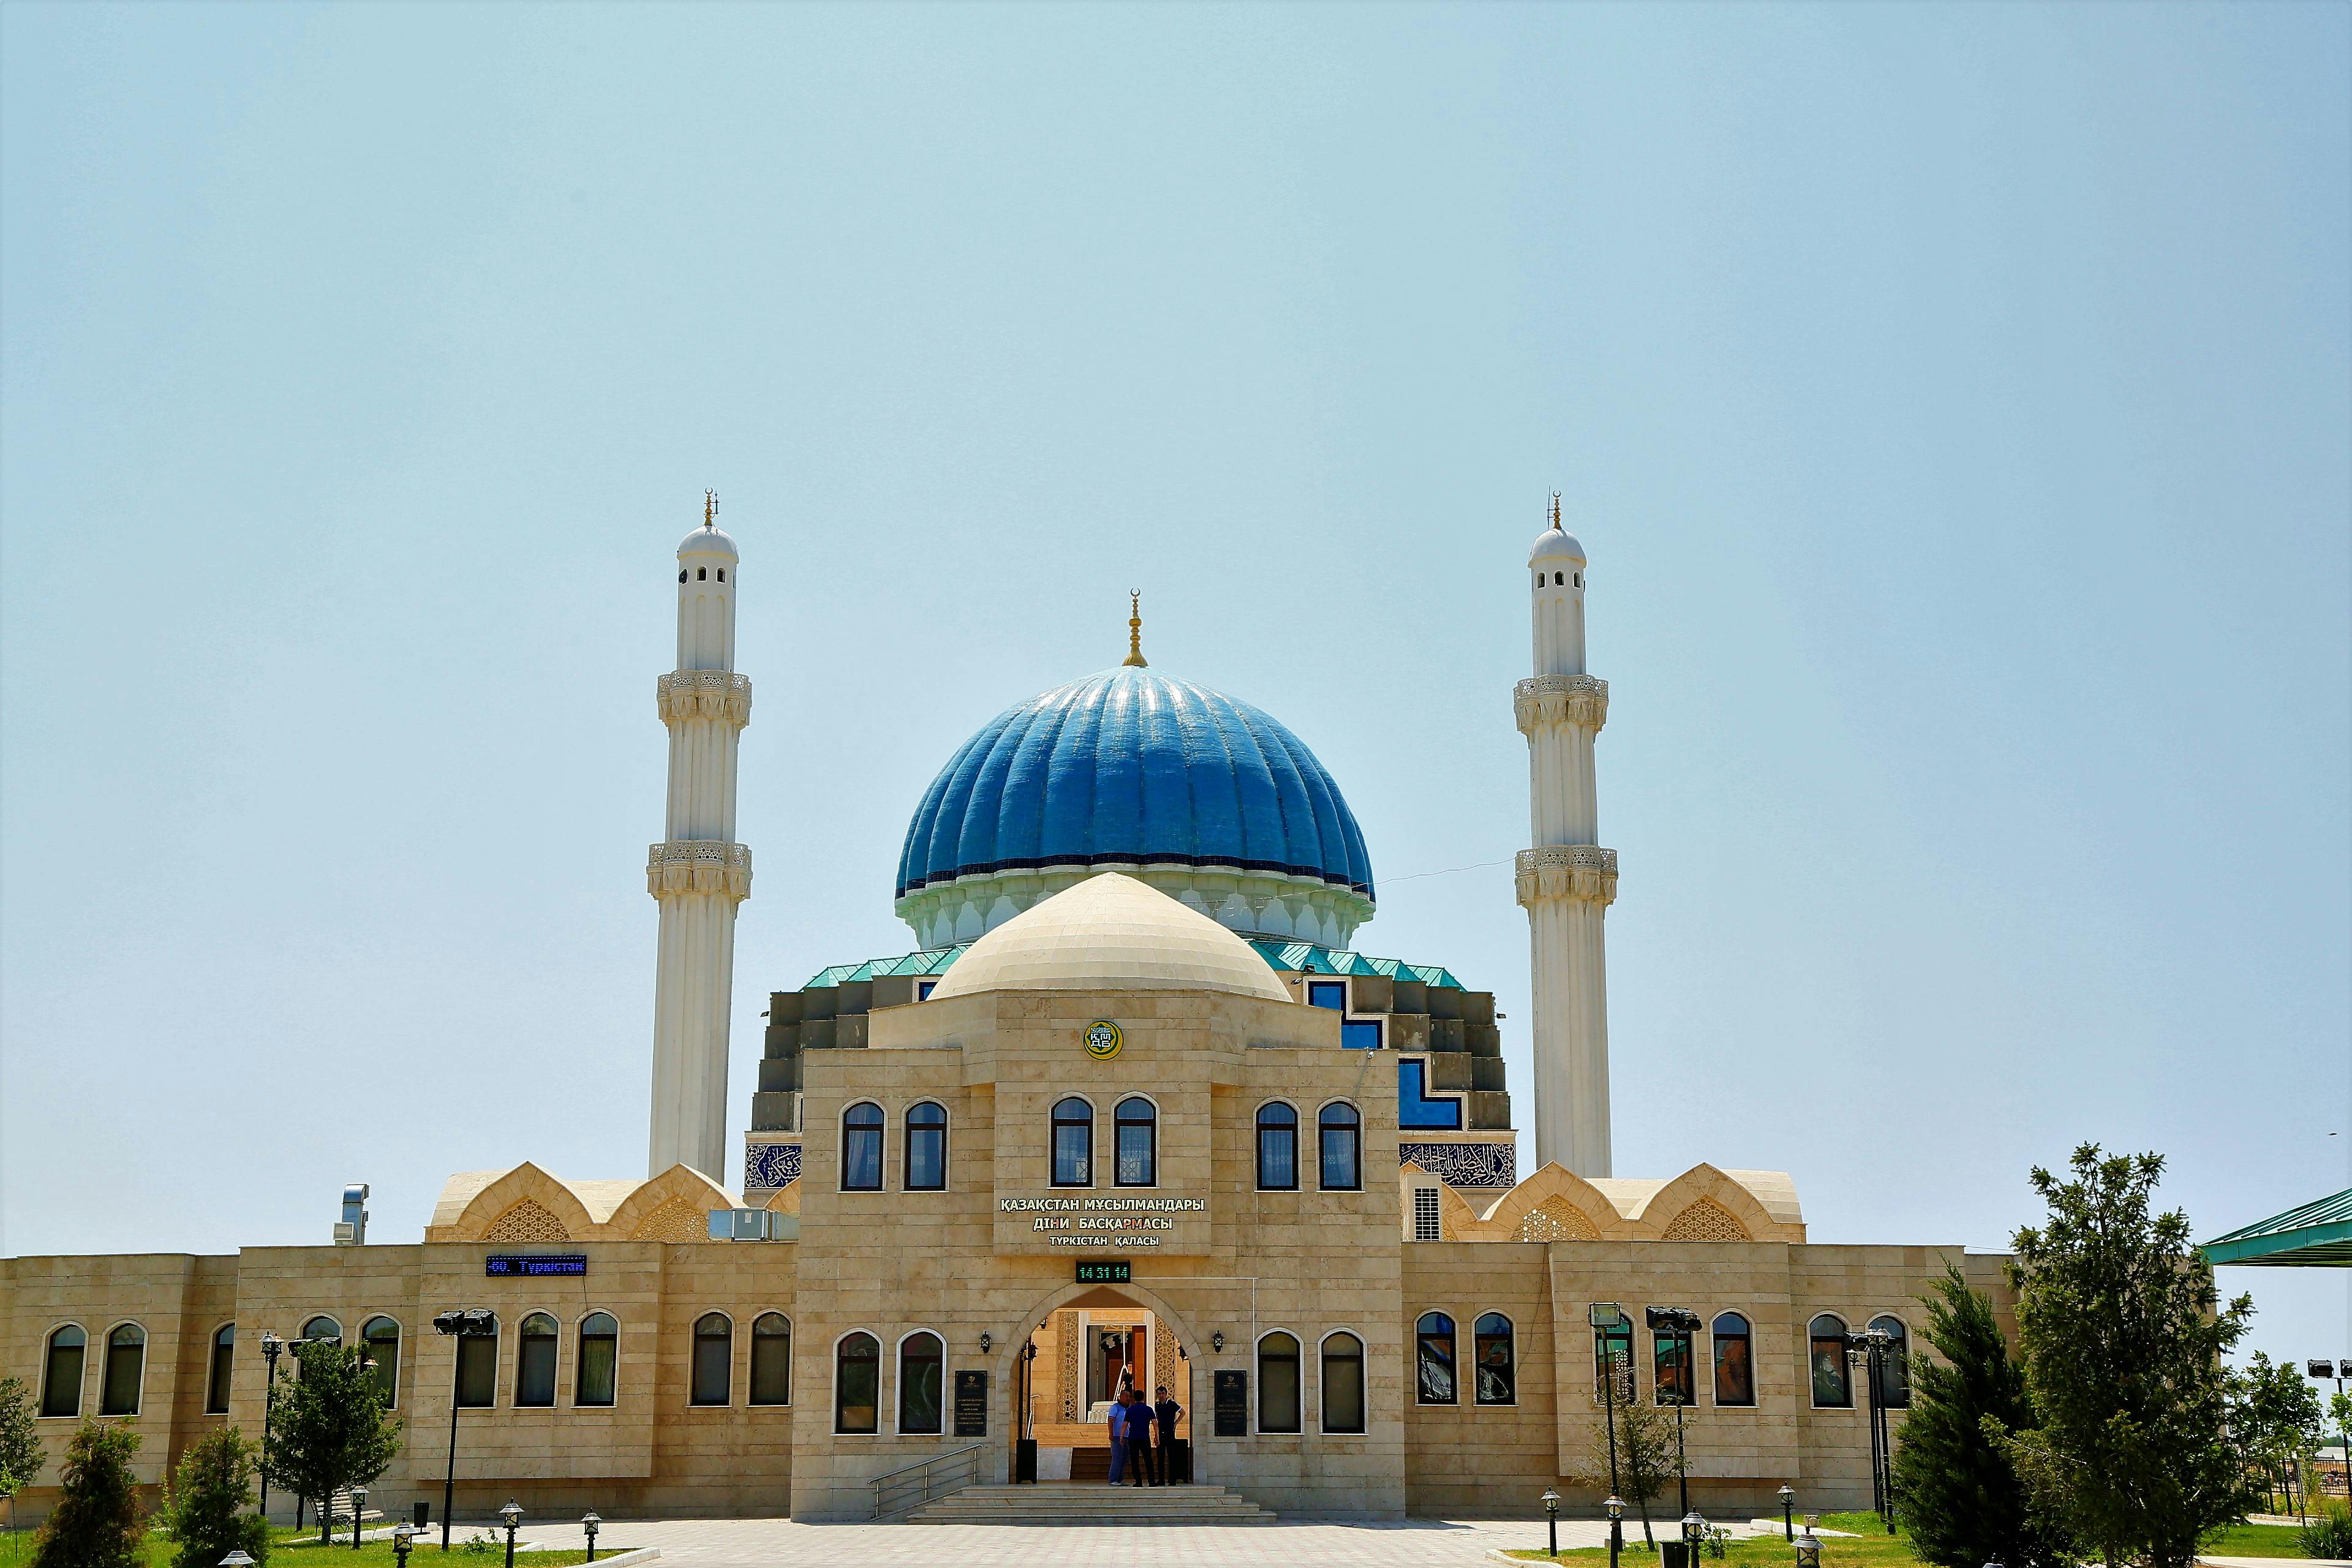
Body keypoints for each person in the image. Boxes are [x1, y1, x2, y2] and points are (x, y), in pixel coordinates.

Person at [1121, 1384, 1156, 1487]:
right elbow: (1155, 1423)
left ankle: (1139, 1481)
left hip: (1133, 1438)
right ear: (1143, 1398)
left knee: (1135, 1461)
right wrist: (1157, 1436)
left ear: (1134, 1399)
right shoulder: (1148, 1409)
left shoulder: (1130, 1410)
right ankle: (1152, 1481)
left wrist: (1122, 1436)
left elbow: (1125, 1425)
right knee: (1148, 1460)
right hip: (1145, 1437)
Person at [1153, 1383, 1183, 1485]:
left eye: (1163, 1393)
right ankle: (1161, 1480)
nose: (1161, 1395)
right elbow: (1157, 1418)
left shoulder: (1172, 1404)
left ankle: (1172, 1480)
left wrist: (1176, 1423)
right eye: (1159, 1394)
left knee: (1172, 1457)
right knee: (1160, 1458)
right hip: (1161, 1434)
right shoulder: (1157, 1405)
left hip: (1170, 1433)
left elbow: (1183, 1412)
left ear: (1166, 1394)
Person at [1106, 1389, 1130, 1485]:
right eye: (1126, 1396)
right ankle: (1113, 1479)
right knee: (1117, 1457)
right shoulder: (1115, 1408)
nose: (1128, 1398)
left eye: (1129, 1396)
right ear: (1121, 1397)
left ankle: (1119, 1479)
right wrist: (1111, 1434)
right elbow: (1110, 1421)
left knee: (1125, 1458)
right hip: (1117, 1437)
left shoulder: (1128, 1409)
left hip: (1126, 1437)